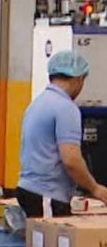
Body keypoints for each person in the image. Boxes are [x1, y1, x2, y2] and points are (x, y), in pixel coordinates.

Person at [17, 51, 107, 218]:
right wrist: (95, 188)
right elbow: (71, 159)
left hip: (28, 189)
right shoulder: (66, 108)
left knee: (38, 243)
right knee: (53, 244)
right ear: (79, 79)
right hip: (47, 193)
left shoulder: (37, 103)